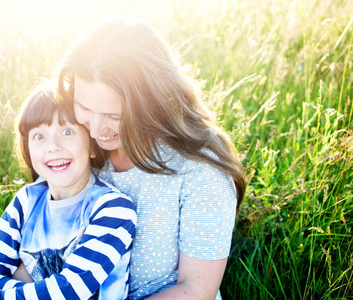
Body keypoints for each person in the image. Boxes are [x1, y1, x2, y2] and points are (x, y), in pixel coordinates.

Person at [56, 16, 246, 300]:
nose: (95, 130)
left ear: (154, 103)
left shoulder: (199, 170)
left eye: (114, 116)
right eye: (84, 106)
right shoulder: (74, 142)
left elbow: (196, 290)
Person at [0, 80, 137, 300]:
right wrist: (46, 287)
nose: (52, 146)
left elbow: (72, 291)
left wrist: (20, 278)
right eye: (39, 136)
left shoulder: (113, 208)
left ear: (92, 146)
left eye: (67, 131)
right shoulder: (27, 201)